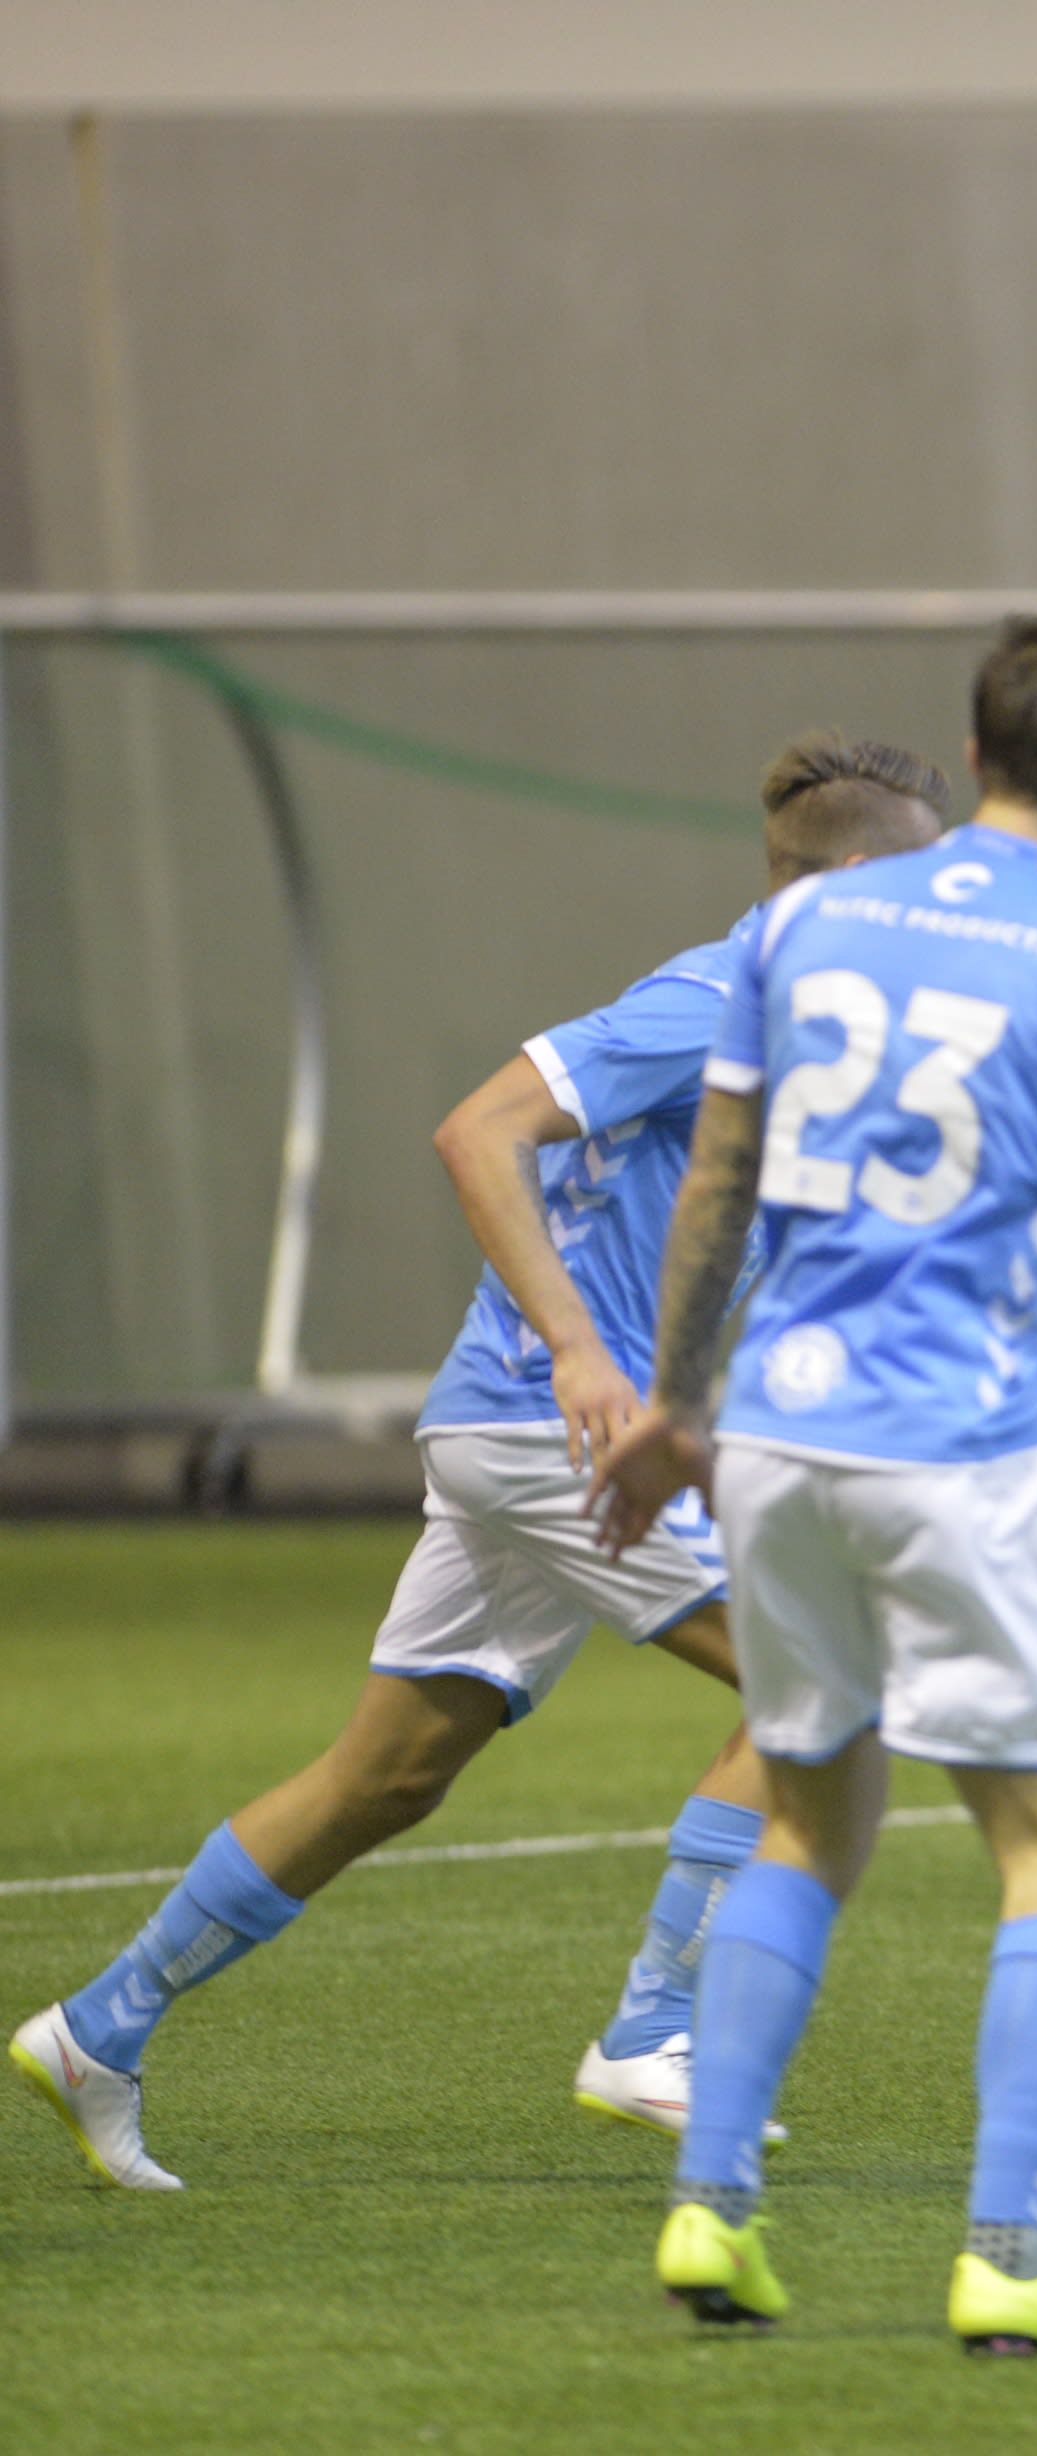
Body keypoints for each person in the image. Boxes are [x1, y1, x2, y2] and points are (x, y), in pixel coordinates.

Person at [11, 735, 948, 2193]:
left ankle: (98, 2029)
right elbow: (479, 1130)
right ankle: (656, 2031)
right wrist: (577, 1348)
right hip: (548, 1425)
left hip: (525, 1437)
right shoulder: (714, 1001)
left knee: (387, 1774)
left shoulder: (810, 1037)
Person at [593, 617, 1037, 2356]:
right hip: (951, 1455)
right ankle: (1009, 2252)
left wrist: (674, 1408)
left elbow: (717, 1182)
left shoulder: (797, 923)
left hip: (777, 1441)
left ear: (973, 757)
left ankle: (711, 2205)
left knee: (810, 1823)